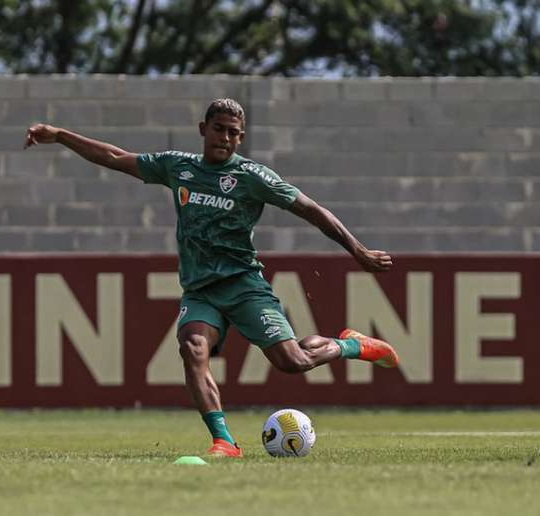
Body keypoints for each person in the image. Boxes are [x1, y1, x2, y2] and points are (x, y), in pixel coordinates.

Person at [25, 98, 399, 458]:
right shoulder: (178, 167)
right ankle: (224, 442)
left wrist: (357, 250)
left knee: (293, 362)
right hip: (200, 290)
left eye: (233, 132)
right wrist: (60, 135)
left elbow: (311, 209)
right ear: (203, 129)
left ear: (241, 137)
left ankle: (352, 345)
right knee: (193, 348)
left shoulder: (252, 176)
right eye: (218, 129)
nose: (225, 137)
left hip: (244, 286)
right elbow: (114, 156)